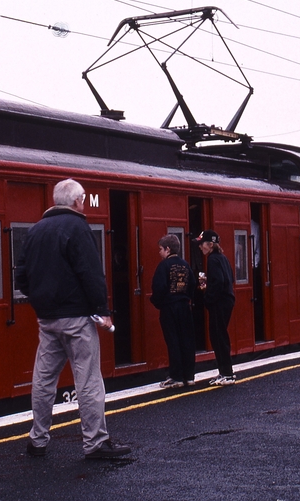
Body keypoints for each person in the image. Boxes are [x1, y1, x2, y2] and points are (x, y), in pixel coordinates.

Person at [15, 178, 131, 460]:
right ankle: (95, 443)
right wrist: (102, 310)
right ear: (78, 201)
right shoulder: (78, 227)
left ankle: (38, 440)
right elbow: (90, 273)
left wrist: (42, 301)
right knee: (88, 379)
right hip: (77, 319)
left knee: (43, 380)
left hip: (47, 319)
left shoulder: (35, 231)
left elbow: (21, 278)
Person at [150, 234, 196, 388]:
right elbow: (193, 284)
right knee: (186, 341)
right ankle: (189, 376)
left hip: (169, 308)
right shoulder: (185, 265)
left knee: (173, 341)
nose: (159, 253)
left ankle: (176, 377)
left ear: (168, 249)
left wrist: (158, 303)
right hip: (184, 306)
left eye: (161, 249)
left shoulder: (164, 266)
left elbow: (159, 288)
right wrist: (186, 298)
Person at [194, 230, 236, 386]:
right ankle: (225, 372)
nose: (200, 247)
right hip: (227, 300)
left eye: (201, 244)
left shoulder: (212, 259)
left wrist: (207, 298)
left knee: (218, 337)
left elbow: (219, 282)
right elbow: (229, 278)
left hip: (220, 302)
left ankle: (227, 373)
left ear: (210, 245)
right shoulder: (222, 258)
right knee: (220, 336)